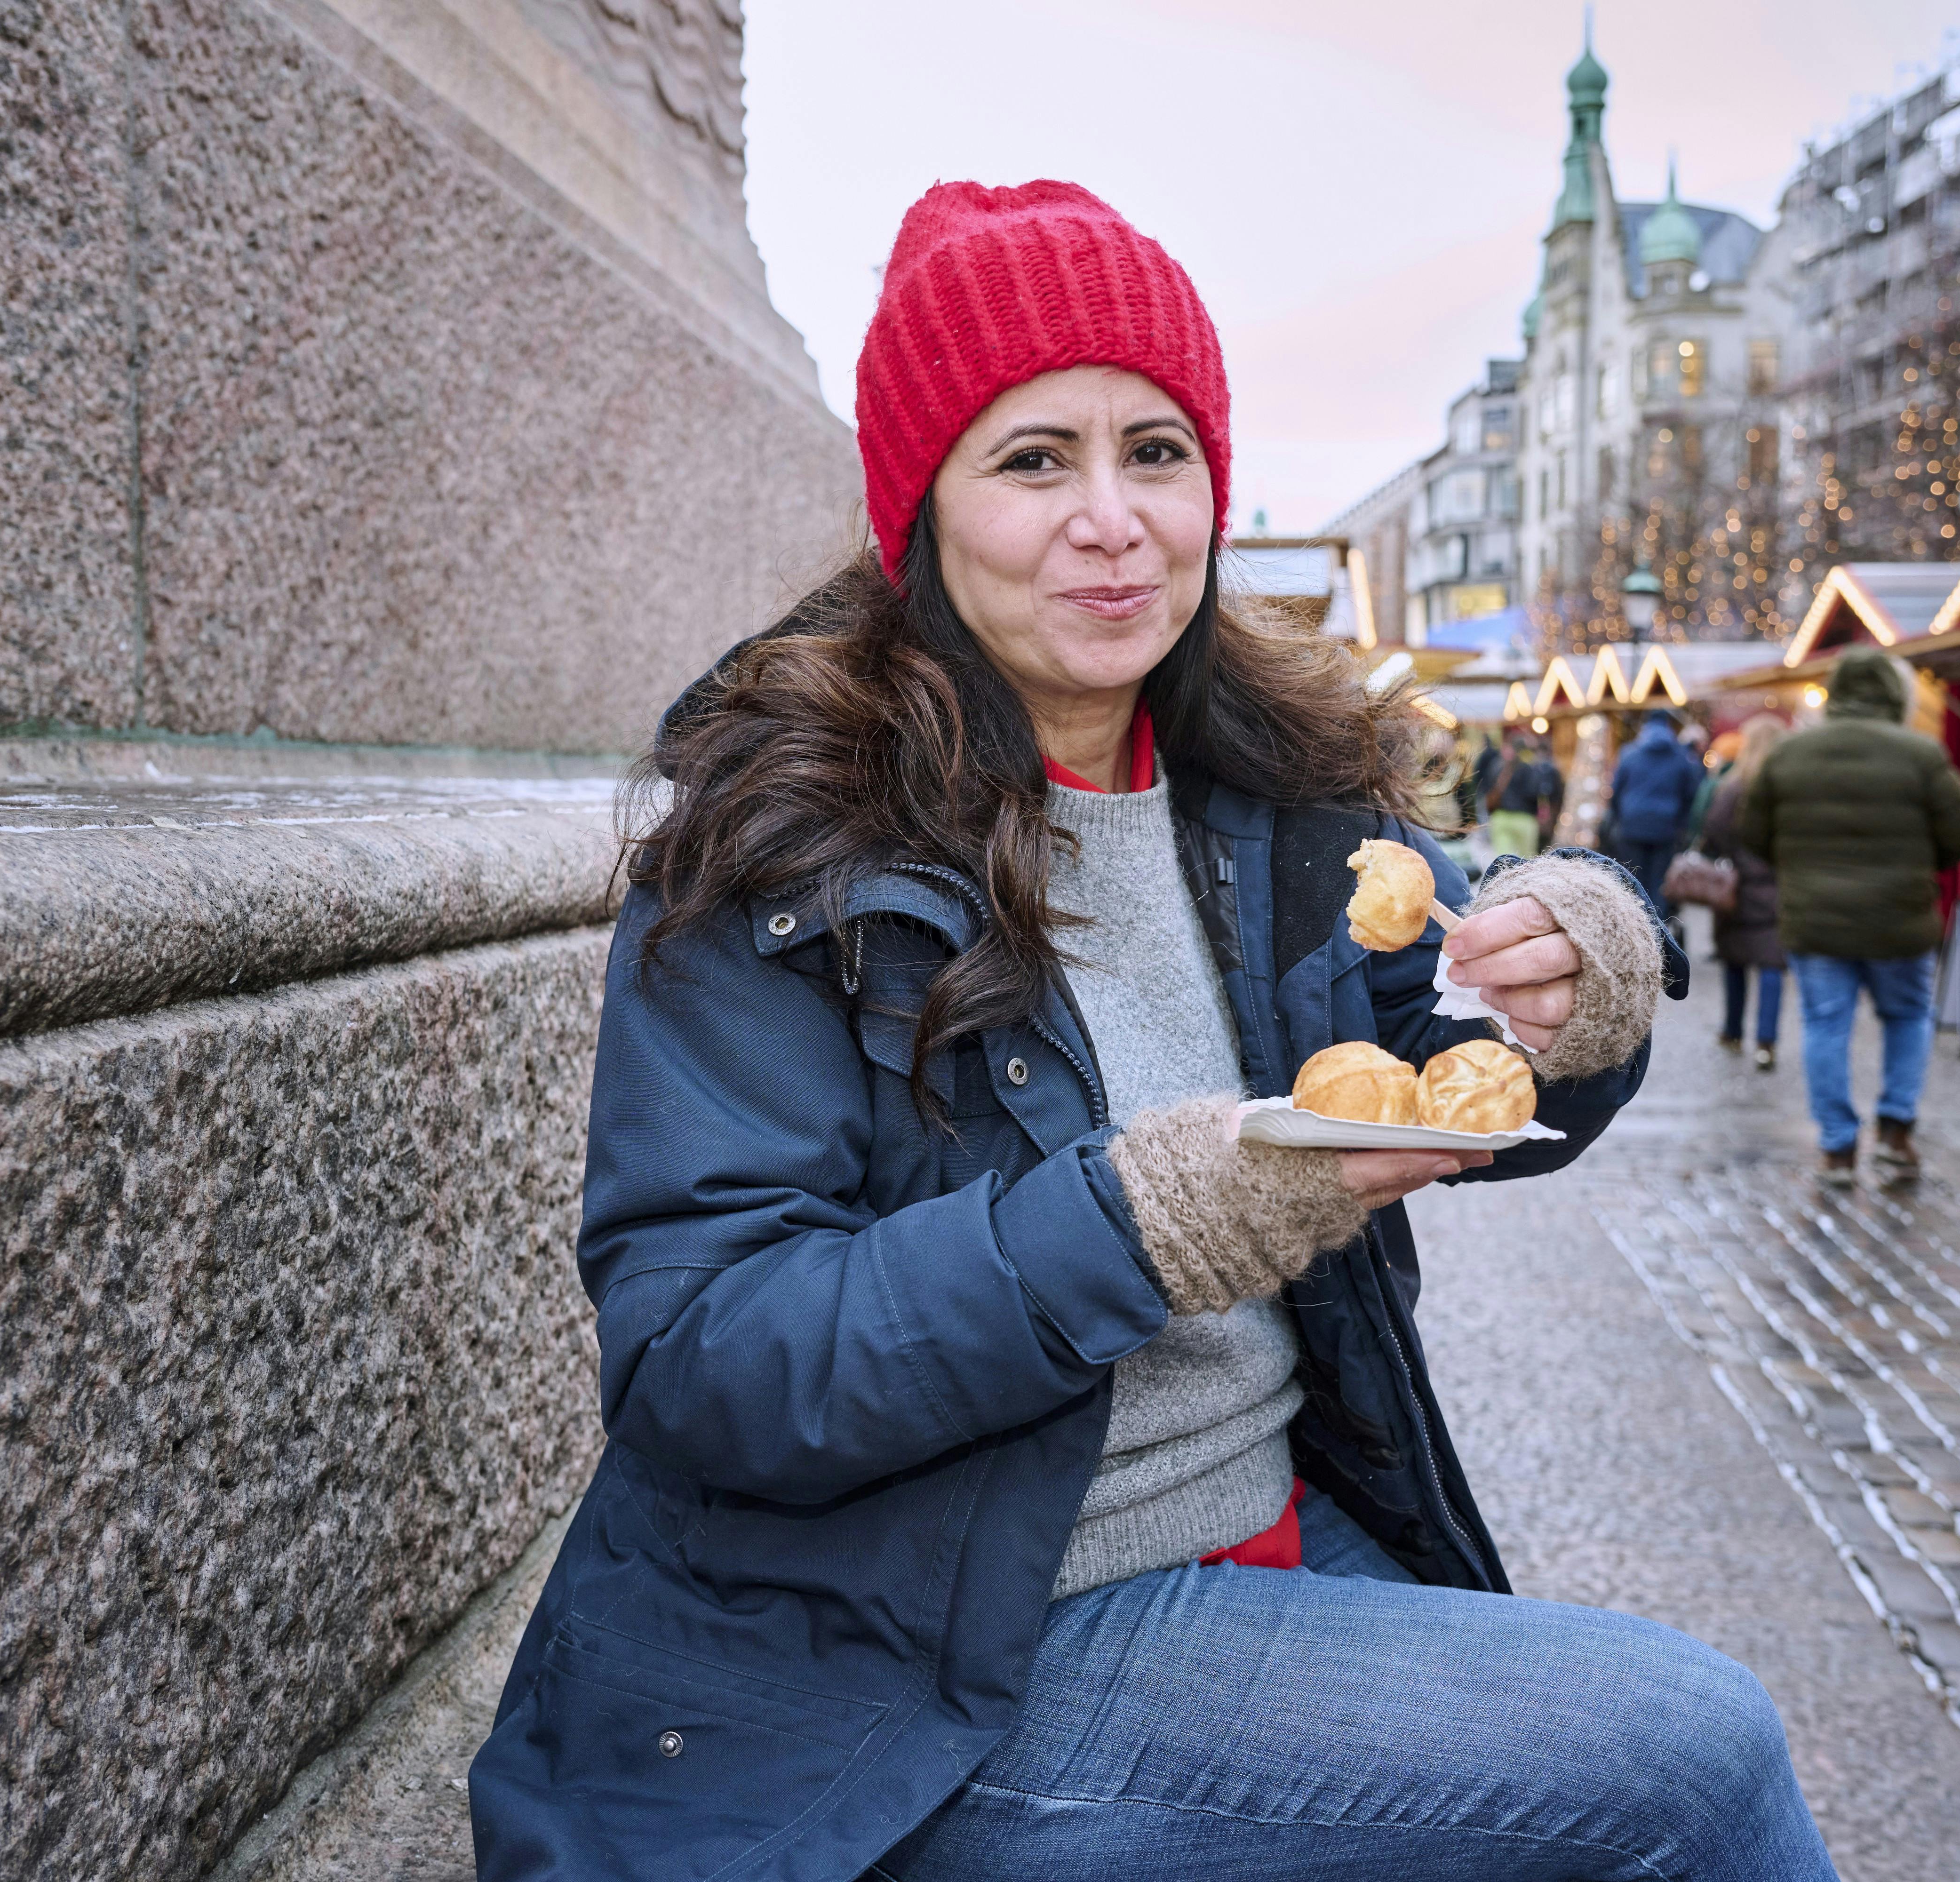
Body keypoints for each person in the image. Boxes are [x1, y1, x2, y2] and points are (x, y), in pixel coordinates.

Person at [470, 179, 1834, 1882]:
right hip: (939, 1651)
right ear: (925, 512)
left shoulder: (1285, 798)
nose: (1112, 520)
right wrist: (1133, 1223)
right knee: (1687, 1755)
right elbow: (703, 1362)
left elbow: (1454, 1073)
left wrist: (1583, 995)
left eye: (1157, 451)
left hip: (1278, 1510)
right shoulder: (776, 838)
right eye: (1033, 459)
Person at [1739, 648, 1960, 1188]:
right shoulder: (1921, 754)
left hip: (1815, 919)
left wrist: (1798, 865)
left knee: (1825, 1025)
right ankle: (1895, 1130)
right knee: (1909, 1016)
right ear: (1896, 696)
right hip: (1901, 918)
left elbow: (1753, 832)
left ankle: (1837, 1147)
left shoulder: (1791, 753)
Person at [1700, 714, 1791, 1071]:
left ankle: (1733, 1031)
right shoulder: (1788, 788)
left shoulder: (1733, 786)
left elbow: (1713, 828)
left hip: (1736, 885)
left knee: (1735, 960)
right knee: (1772, 964)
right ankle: (1766, 1042)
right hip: (1778, 885)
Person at [1608, 708, 1705, 908]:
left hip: (1632, 826)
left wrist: (1620, 819)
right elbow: (1690, 794)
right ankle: (1659, 931)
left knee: (1633, 881)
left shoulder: (1629, 754)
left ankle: (1635, 928)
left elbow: (1615, 791)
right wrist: (1681, 825)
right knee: (1659, 883)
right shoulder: (1680, 757)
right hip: (1666, 828)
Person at [1489, 732, 1562, 858]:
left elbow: (1487, 788)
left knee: (1503, 862)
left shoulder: (1499, 766)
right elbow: (1538, 792)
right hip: (1525, 820)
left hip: (1500, 818)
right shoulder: (1534, 769)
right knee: (1525, 865)